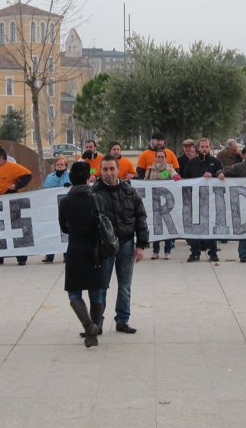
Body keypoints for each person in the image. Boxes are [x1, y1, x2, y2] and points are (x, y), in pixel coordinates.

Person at [93, 155, 148, 334]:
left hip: (126, 243)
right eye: (105, 169)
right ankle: (97, 322)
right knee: (101, 285)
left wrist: (141, 245)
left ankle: (122, 320)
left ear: (118, 170)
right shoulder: (93, 193)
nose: (109, 172)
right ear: (100, 171)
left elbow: (140, 217)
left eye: (112, 169)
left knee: (125, 285)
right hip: (104, 246)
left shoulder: (129, 191)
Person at [58, 161, 106, 348]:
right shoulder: (97, 199)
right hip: (95, 250)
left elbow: (64, 228)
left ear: (71, 179)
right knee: (96, 292)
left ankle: (88, 326)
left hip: (75, 250)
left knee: (73, 292)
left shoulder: (66, 202)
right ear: (88, 178)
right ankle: (93, 330)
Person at [0, 146, 33, 266]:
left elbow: (28, 175)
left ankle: (21, 257)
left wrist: (17, 185)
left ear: (1, 157)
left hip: (11, 201)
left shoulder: (12, 167)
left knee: (16, 228)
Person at [181, 138, 225, 262]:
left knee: (211, 226)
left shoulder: (216, 162)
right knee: (195, 227)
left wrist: (216, 176)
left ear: (210, 148)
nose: (204, 149)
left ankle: (213, 253)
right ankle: (195, 252)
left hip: (211, 201)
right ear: (198, 148)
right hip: (195, 200)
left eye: (206, 147)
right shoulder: (191, 162)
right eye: (202, 147)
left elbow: (221, 175)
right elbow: (185, 180)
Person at [144, 149, 180, 259]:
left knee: (167, 227)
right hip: (155, 203)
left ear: (165, 158)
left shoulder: (169, 168)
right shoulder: (150, 169)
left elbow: (174, 173)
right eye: (158, 156)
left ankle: (167, 251)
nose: (160, 158)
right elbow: (145, 181)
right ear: (155, 157)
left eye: (162, 157)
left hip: (166, 203)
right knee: (156, 227)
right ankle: (155, 251)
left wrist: (175, 176)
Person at [41, 156, 71, 263]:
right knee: (52, 229)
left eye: (62, 165)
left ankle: (67, 254)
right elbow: (47, 186)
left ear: (66, 166)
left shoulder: (70, 175)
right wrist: (57, 177)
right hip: (53, 207)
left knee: (66, 231)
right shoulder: (51, 176)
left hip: (66, 207)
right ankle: (50, 255)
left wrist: (70, 186)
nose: (59, 167)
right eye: (57, 165)